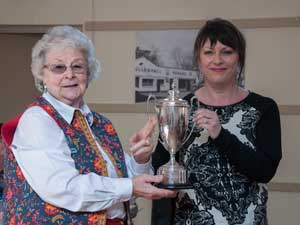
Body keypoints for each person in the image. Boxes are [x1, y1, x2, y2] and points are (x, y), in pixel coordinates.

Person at [1, 25, 175, 225]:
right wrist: (129, 187)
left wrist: (140, 160)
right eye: (59, 67)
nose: (70, 75)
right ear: (42, 75)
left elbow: (125, 188)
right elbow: (64, 188)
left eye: (77, 66)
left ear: (88, 73)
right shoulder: (37, 120)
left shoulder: (100, 123)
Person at [152, 18, 282, 225]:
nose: (217, 60)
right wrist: (142, 159)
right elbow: (160, 170)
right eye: (209, 52)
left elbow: (265, 172)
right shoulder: (180, 107)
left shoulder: (263, 108)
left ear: (239, 58)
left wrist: (221, 135)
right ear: (198, 59)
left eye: (227, 52)